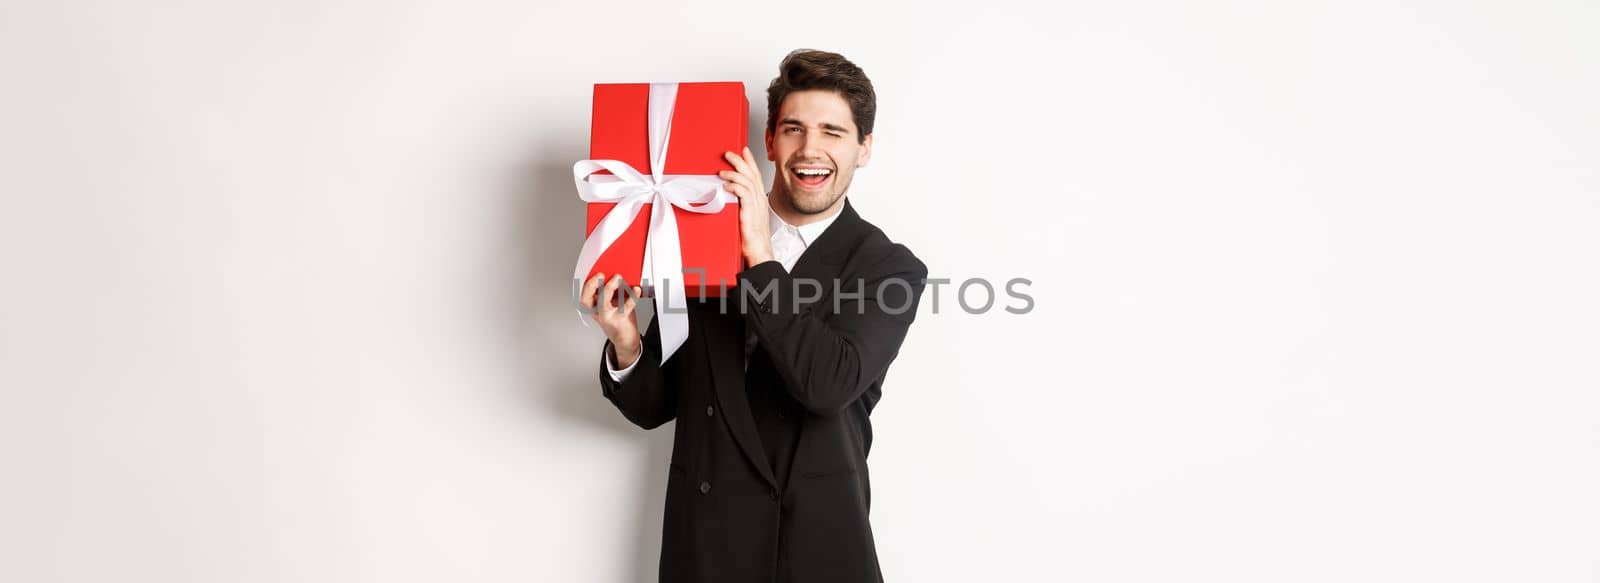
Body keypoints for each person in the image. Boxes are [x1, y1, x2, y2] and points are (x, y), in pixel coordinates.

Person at [578, 48, 927, 583]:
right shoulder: (700, 240)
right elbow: (660, 405)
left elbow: (827, 384)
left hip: (816, 546)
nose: (811, 150)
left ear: (864, 148)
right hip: (706, 545)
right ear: (769, 142)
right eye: (793, 129)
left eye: (833, 132)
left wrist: (759, 255)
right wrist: (626, 342)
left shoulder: (889, 268)